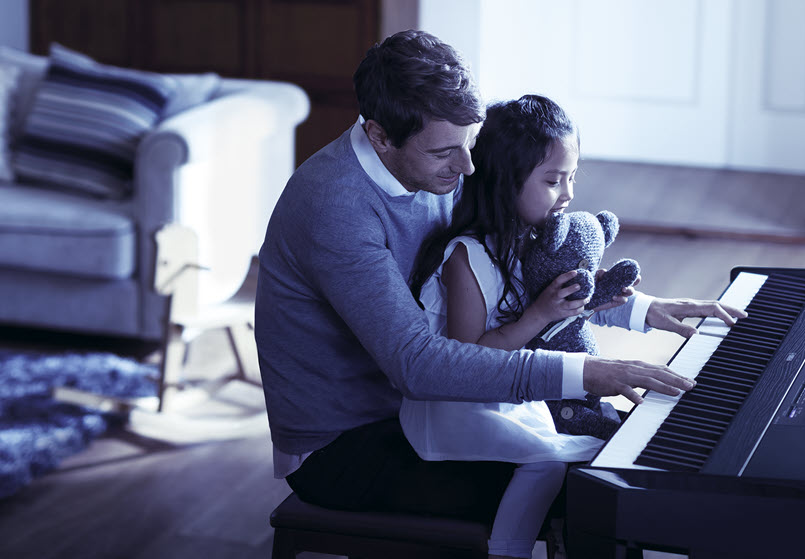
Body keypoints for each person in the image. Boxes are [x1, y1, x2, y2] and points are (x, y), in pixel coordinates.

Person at [255, 28, 746, 542]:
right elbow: (419, 367)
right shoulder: (335, 206)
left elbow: (520, 275)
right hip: (349, 443)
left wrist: (639, 308)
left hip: (438, 408)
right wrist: (585, 372)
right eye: (446, 152)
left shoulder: (436, 167)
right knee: (601, 486)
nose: (468, 167)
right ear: (379, 136)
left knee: (625, 451)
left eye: (470, 143)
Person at [400, 94, 648, 558]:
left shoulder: (524, 241)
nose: (569, 194)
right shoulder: (467, 256)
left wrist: (598, 304)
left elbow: (555, 309)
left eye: (572, 177)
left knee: (597, 444)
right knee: (550, 460)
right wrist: (539, 315)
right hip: (458, 408)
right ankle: (508, 550)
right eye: (553, 180)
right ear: (505, 181)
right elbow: (467, 359)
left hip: (507, 392)